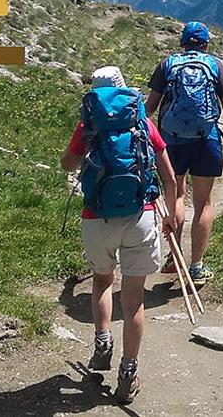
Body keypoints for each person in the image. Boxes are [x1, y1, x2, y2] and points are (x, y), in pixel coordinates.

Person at [60, 66, 178, 405]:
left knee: (101, 280)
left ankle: (102, 343)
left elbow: (68, 164)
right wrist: (169, 215)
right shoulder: (141, 120)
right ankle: (129, 370)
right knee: (134, 298)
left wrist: (76, 155)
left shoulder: (88, 124)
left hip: (97, 217)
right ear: (123, 89)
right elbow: (168, 176)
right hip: (141, 215)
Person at [145, 22, 223, 286]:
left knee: (176, 195)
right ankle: (196, 266)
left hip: (171, 142)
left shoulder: (167, 65)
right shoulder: (214, 65)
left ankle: (174, 257)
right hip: (205, 140)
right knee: (204, 203)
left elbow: (149, 108)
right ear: (206, 43)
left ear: (182, 42)